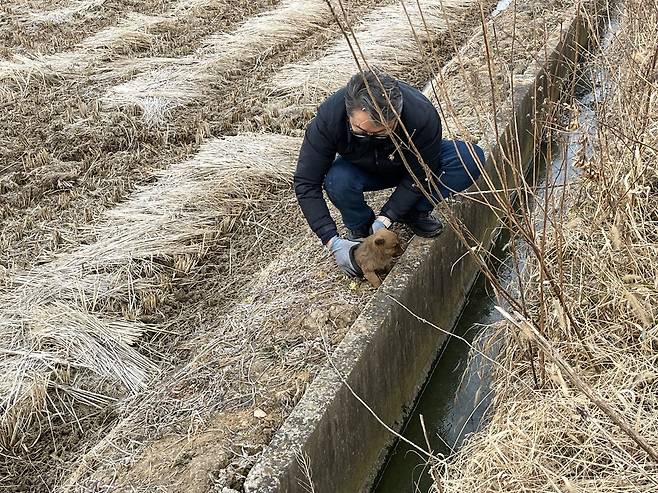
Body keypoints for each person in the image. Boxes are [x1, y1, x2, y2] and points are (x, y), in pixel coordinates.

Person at [294, 68, 485, 277]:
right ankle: (360, 227)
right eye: (363, 132)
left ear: (397, 114)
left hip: (409, 166)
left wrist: (388, 216)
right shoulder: (329, 119)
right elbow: (306, 182)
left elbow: (422, 173)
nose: (372, 137)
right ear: (349, 116)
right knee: (337, 180)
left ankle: (413, 211)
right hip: (361, 169)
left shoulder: (421, 114)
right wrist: (331, 239)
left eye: (383, 132)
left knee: (468, 158)